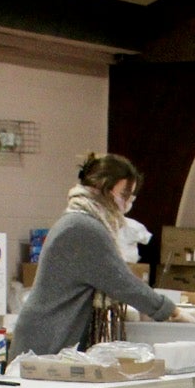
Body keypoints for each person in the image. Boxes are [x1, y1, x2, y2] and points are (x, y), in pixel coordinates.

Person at [11, 153, 179, 361]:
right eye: (125, 194)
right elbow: (122, 282)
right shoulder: (83, 228)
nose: (127, 202)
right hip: (45, 341)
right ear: (102, 186)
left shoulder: (82, 221)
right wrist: (170, 310)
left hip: (49, 336)